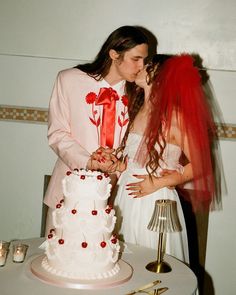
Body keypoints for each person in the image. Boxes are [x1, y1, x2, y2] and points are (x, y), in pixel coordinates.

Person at [110, 54, 216, 263]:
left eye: (147, 65)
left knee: (150, 262)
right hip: (126, 196)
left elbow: (201, 164)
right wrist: (120, 164)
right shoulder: (138, 107)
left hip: (154, 201)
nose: (140, 67)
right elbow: (135, 154)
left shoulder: (175, 116)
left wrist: (160, 182)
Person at [44, 25, 149, 234]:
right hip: (69, 186)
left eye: (144, 60)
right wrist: (88, 161)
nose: (141, 66)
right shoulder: (69, 80)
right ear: (113, 54)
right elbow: (57, 133)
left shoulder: (141, 92)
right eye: (136, 59)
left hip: (116, 195)